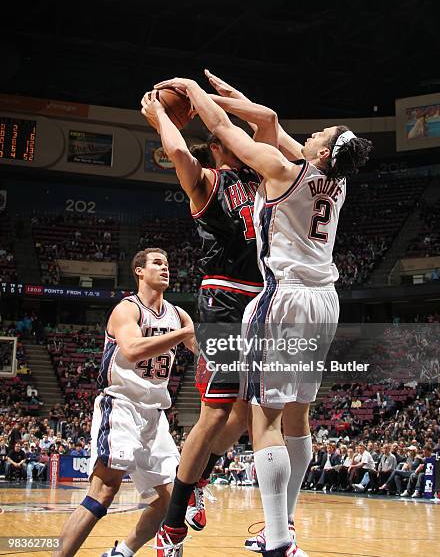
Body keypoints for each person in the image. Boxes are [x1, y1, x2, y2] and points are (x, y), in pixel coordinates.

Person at [149, 76, 372, 556]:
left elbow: (225, 128)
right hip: (323, 301)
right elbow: (268, 121)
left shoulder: (275, 168)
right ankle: (280, 526)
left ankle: (276, 539)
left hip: (282, 297)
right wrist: (234, 99)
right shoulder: (335, 179)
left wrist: (191, 91)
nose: (309, 135)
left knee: (264, 419)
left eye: (318, 135)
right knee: (298, 419)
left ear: (321, 152)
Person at [141, 77, 277, 542]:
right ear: (218, 146)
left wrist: (225, 95)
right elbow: (179, 155)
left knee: (242, 413)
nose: (240, 136)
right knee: (215, 413)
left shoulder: (262, 175)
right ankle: (172, 524)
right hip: (223, 296)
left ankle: (198, 479)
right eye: (229, 134)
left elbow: (263, 122)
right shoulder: (209, 182)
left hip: (262, 299)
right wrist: (160, 115)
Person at [53, 248, 195, 557]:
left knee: (170, 500)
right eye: (157, 263)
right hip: (121, 404)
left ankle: (123, 552)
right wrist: (184, 334)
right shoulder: (126, 310)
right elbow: (131, 350)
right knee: (104, 490)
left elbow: (206, 353)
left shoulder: (178, 315)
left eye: (168, 263)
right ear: (139, 271)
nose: (165, 268)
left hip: (155, 415)